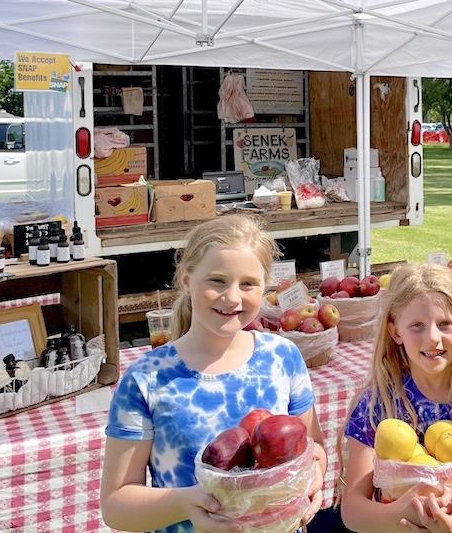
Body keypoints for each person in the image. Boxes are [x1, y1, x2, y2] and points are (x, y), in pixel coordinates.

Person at [100, 214, 327, 533]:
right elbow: (115, 505)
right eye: (217, 281)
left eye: (248, 284)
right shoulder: (147, 379)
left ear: (265, 285)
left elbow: (312, 448)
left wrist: (314, 476)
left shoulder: (282, 356)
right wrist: (184, 504)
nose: (233, 297)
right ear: (186, 279)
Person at [339, 263, 452, 532]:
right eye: (417, 325)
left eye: (445, 324)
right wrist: (399, 513)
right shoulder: (376, 404)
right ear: (395, 331)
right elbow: (353, 510)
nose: (433, 337)